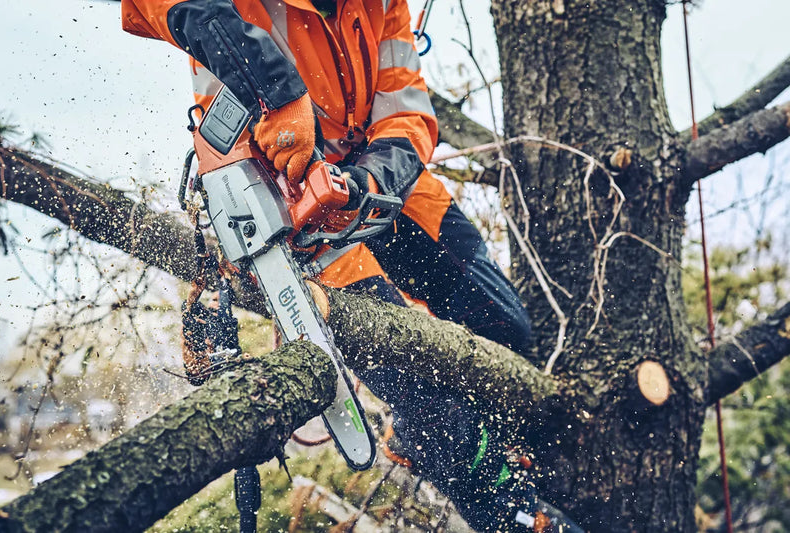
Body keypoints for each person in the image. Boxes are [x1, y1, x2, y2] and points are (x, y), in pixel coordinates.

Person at [121, 1, 576, 531]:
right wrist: (278, 92)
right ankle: (513, 514)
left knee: (506, 326)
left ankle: (471, 440)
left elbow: (406, 113)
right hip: (278, 193)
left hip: (372, 182)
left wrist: (369, 183)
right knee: (419, 382)